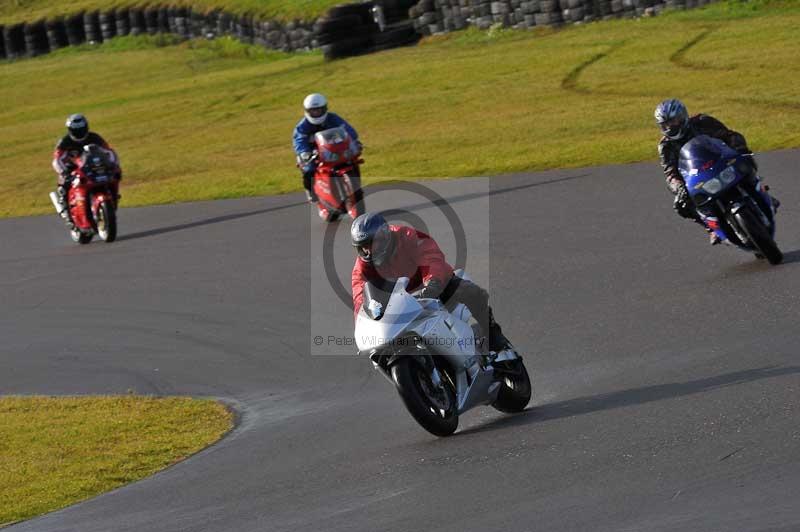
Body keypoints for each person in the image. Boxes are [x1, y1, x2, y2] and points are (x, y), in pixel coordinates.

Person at [350, 212, 513, 354]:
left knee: (470, 292)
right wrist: (366, 325)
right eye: (363, 247)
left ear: (384, 235)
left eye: (372, 243)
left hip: (430, 288)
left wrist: (433, 282)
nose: (369, 251)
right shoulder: (361, 268)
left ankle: (493, 333)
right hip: (400, 305)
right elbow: (359, 296)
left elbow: (431, 257)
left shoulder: (406, 236)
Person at [654, 98, 777, 244]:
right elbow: (670, 173)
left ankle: (760, 192)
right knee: (681, 205)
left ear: (683, 116)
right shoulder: (665, 146)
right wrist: (679, 187)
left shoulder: (702, 121)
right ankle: (711, 228)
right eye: (666, 124)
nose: (671, 127)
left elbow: (730, 135)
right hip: (698, 177)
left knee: (746, 161)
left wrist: (740, 149)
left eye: (673, 121)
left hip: (722, 162)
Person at [51, 114, 120, 227]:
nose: (79, 133)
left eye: (81, 130)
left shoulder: (95, 138)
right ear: (70, 130)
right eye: (76, 130)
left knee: (114, 177)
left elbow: (109, 152)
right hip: (72, 169)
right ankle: (68, 215)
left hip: (92, 167)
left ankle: (112, 199)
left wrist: (114, 165)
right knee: (64, 185)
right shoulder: (65, 142)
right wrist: (65, 173)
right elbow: (57, 160)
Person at [292, 93, 362, 204]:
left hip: (332, 148)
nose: (316, 113)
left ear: (325, 108)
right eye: (313, 111)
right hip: (313, 152)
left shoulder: (333, 118)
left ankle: (355, 185)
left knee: (353, 160)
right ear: (307, 111)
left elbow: (348, 129)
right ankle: (310, 191)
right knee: (308, 169)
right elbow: (299, 141)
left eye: (319, 110)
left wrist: (354, 140)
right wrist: (304, 152)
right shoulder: (302, 126)